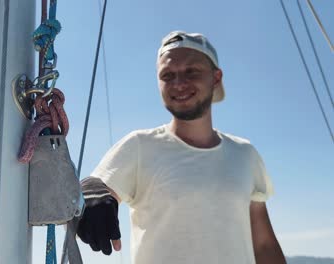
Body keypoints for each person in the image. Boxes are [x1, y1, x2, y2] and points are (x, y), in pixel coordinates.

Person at [76, 31, 286, 264]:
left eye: (191, 71)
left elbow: (264, 245)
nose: (179, 83)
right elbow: (98, 186)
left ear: (216, 78)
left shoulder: (245, 154)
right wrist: (91, 194)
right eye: (167, 75)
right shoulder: (139, 146)